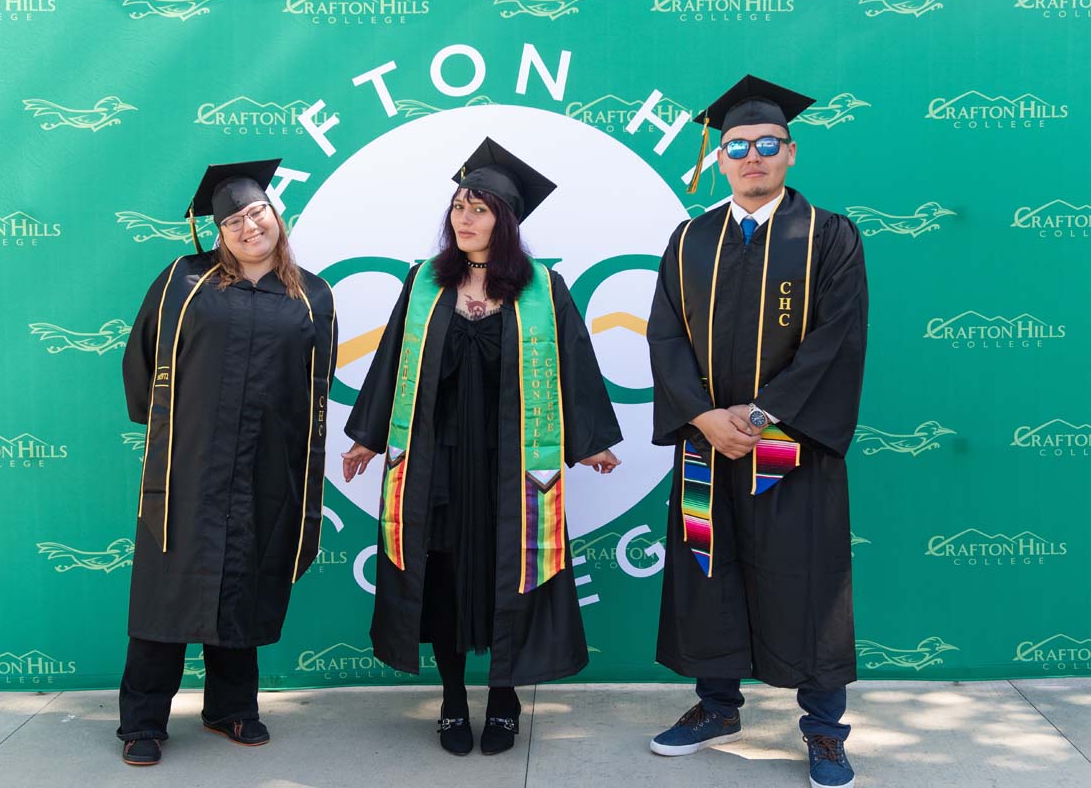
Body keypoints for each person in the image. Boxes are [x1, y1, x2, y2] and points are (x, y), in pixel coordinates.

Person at [341, 138, 622, 756]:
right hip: (436, 466)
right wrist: (366, 435)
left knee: (508, 578)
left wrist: (591, 440)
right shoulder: (424, 283)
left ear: (506, 219)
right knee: (441, 579)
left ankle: (503, 698)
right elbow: (392, 360)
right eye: (457, 208)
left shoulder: (543, 289)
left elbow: (573, 362)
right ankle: (449, 698)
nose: (462, 219)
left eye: (478, 209)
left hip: (512, 466)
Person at [646, 76, 868, 788]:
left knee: (804, 579)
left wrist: (764, 414)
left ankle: (825, 730)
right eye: (737, 146)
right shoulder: (688, 241)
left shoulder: (829, 235)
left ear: (790, 153)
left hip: (790, 448)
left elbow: (837, 339)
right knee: (712, 571)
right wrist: (704, 416)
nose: (752, 157)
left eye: (767, 145)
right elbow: (664, 337)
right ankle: (717, 707)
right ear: (720, 158)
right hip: (707, 444)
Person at [116, 159, 337, 766]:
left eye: (257, 213)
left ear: (277, 215)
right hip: (189, 466)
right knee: (166, 592)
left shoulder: (313, 295)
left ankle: (232, 709)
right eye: (233, 219)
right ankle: (142, 721)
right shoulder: (184, 282)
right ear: (217, 230)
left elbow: (317, 385)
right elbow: (142, 358)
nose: (248, 226)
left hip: (267, 469)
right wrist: (170, 430)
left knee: (244, 583)